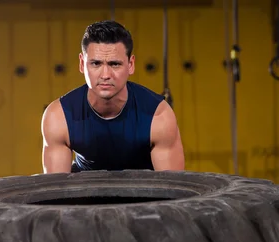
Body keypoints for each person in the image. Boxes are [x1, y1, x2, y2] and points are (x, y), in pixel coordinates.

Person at [41, 20, 185, 173]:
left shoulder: (159, 115)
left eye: (114, 64)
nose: (105, 75)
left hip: (144, 192)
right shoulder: (59, 116)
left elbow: (172, 190)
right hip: (84, 191)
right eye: (96, 63)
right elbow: (57, 190)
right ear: (82, 64)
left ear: (130, 65)